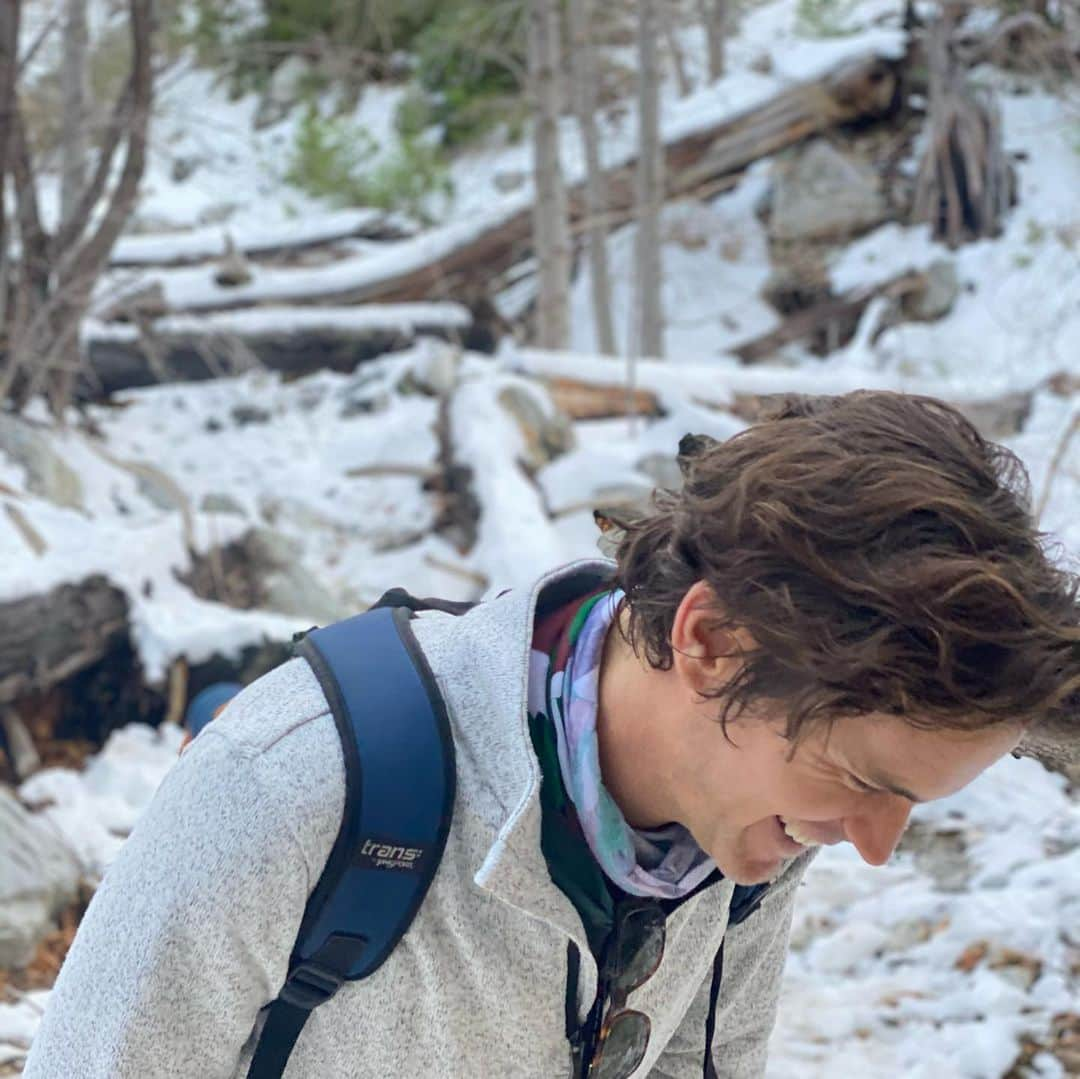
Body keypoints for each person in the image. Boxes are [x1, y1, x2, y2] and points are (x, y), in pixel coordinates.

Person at [23, 391, 1079, 1079]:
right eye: (860, 777)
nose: (876, 842)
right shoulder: (300, 784)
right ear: (709, 641)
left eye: (910, 801)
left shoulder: (747, 838)